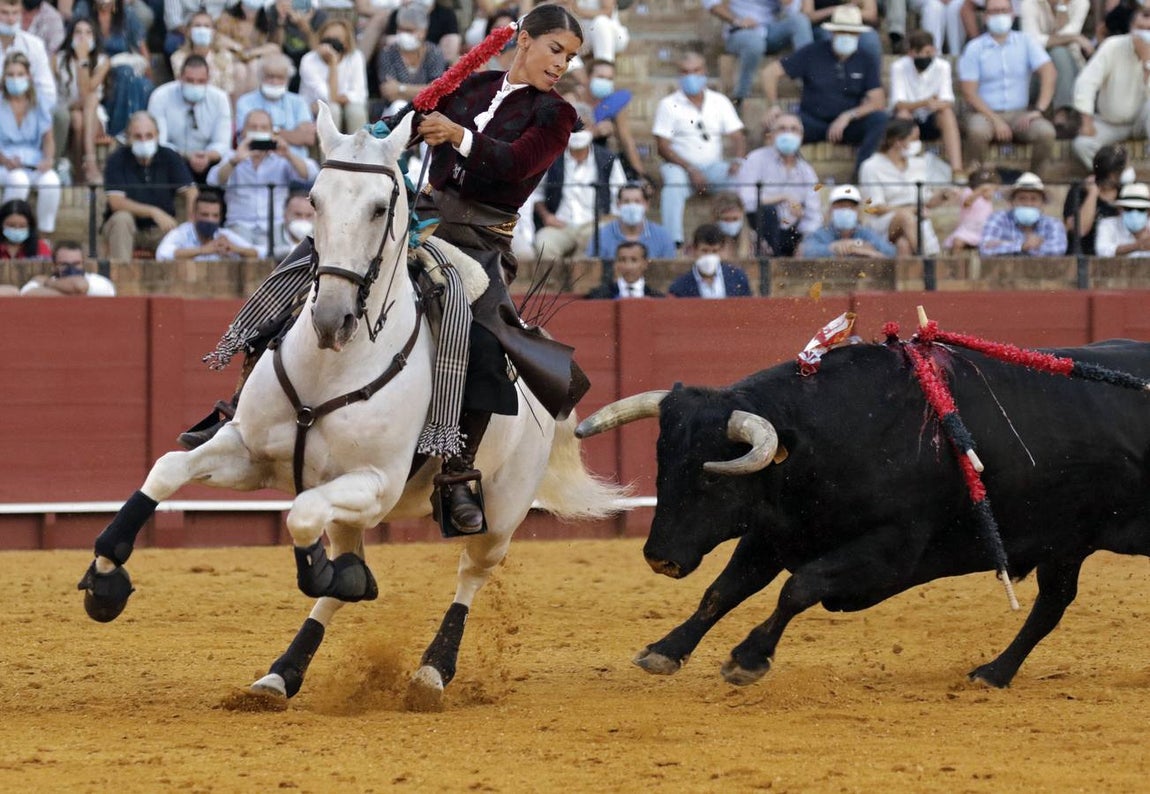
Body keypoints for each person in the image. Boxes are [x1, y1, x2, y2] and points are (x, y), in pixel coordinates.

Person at [183, 5, 589, 538]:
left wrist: (458, 136)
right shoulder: (471, 86)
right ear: (526, 41)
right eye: (555, 49)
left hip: (478, 241)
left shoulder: (556, 116)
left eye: (570, 57)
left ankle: (457, 472)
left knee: (484, 341)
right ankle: (239, 408)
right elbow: (409, 129)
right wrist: (387, 133)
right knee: (305, 267)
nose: (561, 64)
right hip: (417, 220)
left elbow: (515, 164)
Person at [762, 6, 889, 176]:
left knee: (880, 120)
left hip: (848, 124)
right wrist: (774, 105)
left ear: (858, 35)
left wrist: (848, 116)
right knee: (778, 125)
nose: (846, 36)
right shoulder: (812, 52)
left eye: (851, 33)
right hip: (811, 121)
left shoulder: (865, 58)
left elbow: (878, 101)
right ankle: (779, 177)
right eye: (841, 32)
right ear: (833, 33)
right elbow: (769, 73)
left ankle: (860, 176)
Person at [652, 50, 746, 248]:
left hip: (713, 167)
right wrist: (691, 169)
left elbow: (738, 136)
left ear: (704, 72)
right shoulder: (668, 105)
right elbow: (662, 147)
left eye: (696, 70)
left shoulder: (719, 101)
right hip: (680, 168)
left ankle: (734, 238)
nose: (691, 76)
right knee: (673, 186)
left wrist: (738, 161)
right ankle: (673, 243)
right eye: (686, 72)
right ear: (679, 75)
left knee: (738, 178)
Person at [958, 0, 1057, 176]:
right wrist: (996, 120)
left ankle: (1036, 181)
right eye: (994, 11)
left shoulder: (1026, 42)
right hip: (984, 114)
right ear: (986, 16)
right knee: (977, 131)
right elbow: (968, 92)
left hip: (1019, 114)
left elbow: (1049, 72)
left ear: (1012, 14)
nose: (1000, 15)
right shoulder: (974, 48)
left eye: (1004, 10)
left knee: (1046, 132)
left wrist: (1039, 109)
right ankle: (975, 180)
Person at [206, 108, 318, 248]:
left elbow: (311, 174)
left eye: (263, 127)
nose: (258, 131)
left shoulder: (282, 158)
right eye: (253, 127)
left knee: (281, 258)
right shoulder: (232, 156)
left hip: (276, 225)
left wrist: (289, 155)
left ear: (271, 132)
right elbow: (213, 181)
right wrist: (235, 161)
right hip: (239, 224)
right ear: (244, 132)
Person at [532, 116, 627, 271]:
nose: (577, 132)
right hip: (560, 225)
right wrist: (547, 216)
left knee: (594, 240)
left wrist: (610, 218)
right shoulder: (551, 159)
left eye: (583, 127)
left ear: (592, 128)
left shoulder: (607, 158)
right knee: (544, 244)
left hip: (595, 223)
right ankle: (552, 290)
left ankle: (580, 288)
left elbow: (621, 194)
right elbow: (537, 194)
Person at [101, 110, 197, 262]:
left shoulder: (169, 156)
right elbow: (116, 202)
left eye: (149, 136)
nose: (144, 140)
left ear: (157, 135)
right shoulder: (117, 159)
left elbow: (191, 191)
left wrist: (192, 222)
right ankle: (121, 277)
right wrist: (153, 212)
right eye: (138, 136)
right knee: (121, 219)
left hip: (161, 228)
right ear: (128, 137)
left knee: (180, 235)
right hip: (129, 229)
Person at [1071, 6, 1150, 170]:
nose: (1145, 33)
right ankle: (1120, 177)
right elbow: (1086, 82)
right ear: (1131, 27)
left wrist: (1147, 63)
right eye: (1141, 28)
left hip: (1143, 122)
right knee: (1082, 144)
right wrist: (1086, 121)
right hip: (1110, 123)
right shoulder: (1112, 46)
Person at [733, 111, 822, 257]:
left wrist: (805, 242)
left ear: (801, 136)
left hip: (792, 232)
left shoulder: (806, 171)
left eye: (794, 129)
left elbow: (814, 214)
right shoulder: (755, 159)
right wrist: (783, 197)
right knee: (768, 211)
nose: (788, 133)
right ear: (772, 135)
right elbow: (745, 200)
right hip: (760, 229)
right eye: (782, 129)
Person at [858, 118, 951, 256]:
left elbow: (927, 201)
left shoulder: (919, 164)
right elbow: (875, 207)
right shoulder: (871, 166)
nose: (917, 143)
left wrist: (943, 195)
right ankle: (927, 261)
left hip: (915, 222)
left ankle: (912, 275)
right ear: (898, 141)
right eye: (913, 139)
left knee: (904, 245)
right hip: (883, 222)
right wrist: (912, 210)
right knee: (906, 218)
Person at [704, 0, 813, 111]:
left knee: (800, 21)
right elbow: (711, 4)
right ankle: (741, 96)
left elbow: (794, 12)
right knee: (754, 43)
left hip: (769, 30)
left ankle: (810, 80)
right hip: (739, 31)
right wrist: (737, 21)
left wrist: (787, 3)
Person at [0, 51, 61, 236]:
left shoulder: (39, 102)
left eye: (20, 74)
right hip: (5, 162)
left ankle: (44, 235)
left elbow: (48, 139)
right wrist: (4, 160)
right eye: (10, 75)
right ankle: (6, 230)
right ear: (4, 77)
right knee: (19, 180)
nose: (15, 79)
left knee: (51, 182)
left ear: (29, 76)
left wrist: (48, 159)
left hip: (33, 162)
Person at [147, 55, 233, 183]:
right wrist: (187, 156)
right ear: (180, 78)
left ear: (208, 80)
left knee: (227, 161)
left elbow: (223, 143)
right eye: (190, 80)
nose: (195, 85)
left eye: (200, 81)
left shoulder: (220, 99)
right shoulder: (160, 96)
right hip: (173, 159)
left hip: (209, 161)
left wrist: (206, 156)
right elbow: (160, 142)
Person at [889, 29, 963, 176]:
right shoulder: (899, 67)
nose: (925, 57)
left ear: (934, 51)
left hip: (931, 119)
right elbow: (899, 104)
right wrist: (925, 102)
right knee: (903, 115)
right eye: (920, 53)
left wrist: (935, 105)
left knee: (946, 113)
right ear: (911, 53)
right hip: (909, 118)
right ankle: (900, 168)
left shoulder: (942, 67)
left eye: (928, 53)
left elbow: (948, 101)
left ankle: (957, 169)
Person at [1019, 0, 1093, 132]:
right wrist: (1074, 38)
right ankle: (1059, 114)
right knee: (1056, 52)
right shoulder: (1028, 4)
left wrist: (1062, 7)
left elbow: (1067, 33)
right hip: (1037, 72)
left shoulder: (1081, 3)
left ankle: (1062, 112)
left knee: (1059, 52)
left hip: (1072, 66)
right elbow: (1032, 41)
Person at [52, 17, 110, 185]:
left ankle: (83, 168)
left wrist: (83, 59)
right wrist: (80, 57)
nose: (83, 37)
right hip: (67, 109)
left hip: (94, 114)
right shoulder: (57, 60)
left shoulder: (103, 61)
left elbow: (85, 92)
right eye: (78, 32)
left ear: (95, 36)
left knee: (85, 109)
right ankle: (86, 168)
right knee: (77, 116)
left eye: (88, 32)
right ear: (70, 36)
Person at [234, 53, 316, 160]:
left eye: (280, 77)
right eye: (270, 76)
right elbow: (246, 135)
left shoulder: (299, 102)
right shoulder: (245, 101)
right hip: (255, 160)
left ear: (288, 80)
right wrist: (292, 134)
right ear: (261, 77)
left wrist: (269, 131)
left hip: (293, 162)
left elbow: (308, 138)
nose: (275, 82)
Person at [375, 3, 447, 114]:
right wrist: (423, 89)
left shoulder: (434, 52)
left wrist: (400, 88)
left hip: (427, 109)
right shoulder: (388, 52)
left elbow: (436, 90)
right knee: (399, 106)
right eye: (400, 29)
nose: (403, 34)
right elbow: (388, 92)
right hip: (393, 111)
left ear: (422, 32)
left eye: (409, 30)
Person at [298, 17, 367, 134]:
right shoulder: (309, 60)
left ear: (346, 43)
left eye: (336, 39)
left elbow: (360, 94)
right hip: (313, 107)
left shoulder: (356, 57)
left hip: (345, 105)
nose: (330, 44)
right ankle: (330, 152)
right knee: (332, 110)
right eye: (327, 39)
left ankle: (360, 151)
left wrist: (342, 98)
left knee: (356, 110)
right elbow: (328, 98)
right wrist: (333, 63)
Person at [979, 171, 1068, 256]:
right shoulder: (998, 218)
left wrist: (1006, 245)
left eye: (1034, 199)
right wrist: (1021, 245)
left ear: (1042, 203)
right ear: (1012, 202)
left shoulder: (1053, 224)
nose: (1028, 204)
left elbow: (1058, 249)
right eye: (1022, 198)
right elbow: (986, 248)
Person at [586, 58, 647, 182]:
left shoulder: (614, 103)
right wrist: (594, 132)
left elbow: (626, 141)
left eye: (609, 79)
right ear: (588, 77)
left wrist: (641, 176)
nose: (605, 82)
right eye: (600, 77)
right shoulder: (572, 98)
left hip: (599, 159)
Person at [155, 191, 262, 260]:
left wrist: (236, 249)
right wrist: (202, 250)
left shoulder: (223, 235)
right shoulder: (182, 233)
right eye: (205, 215)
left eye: (215, 216)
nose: (210, 220)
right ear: (194, 215)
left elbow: (262, 253)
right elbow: (162, 254)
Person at [799, 183, 897, 257]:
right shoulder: (823, 233)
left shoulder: (865, 232)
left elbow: (891, 252)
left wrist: (862, 247)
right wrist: (832, 248)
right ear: (831, 209)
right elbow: (806, 251)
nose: (845, 210)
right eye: (841, 206)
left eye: (850, 207)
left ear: (858, 211)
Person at [585, 181, 676, 261]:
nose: (631, 206)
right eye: (626, 201)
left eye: (637, 201)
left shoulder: (663, 236)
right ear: (618, 204)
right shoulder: (602, 235)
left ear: (646, 205)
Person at [1063, 143, 1127, 255]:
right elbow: (1080, 230)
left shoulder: (1126, 191)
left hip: (1115, 257)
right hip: (1083, 259)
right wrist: (1092, 194)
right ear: (1113, 174)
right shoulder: (1079, 190)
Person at [170, 10, 244, 101]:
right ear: (188, 31)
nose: (202, 30)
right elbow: (184, 86)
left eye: (206, 26)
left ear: (213, 32)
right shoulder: (178, 57)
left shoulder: (225, 56)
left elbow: (228, 89)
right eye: (197, 26)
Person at [668, 222, 752, 297]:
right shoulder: (680, 286)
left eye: (715, 251)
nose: (709, 256)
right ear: (694, 250)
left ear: (722, 250)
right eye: (705, 251)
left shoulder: (737, 278)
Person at [0, 0, 57, 109]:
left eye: (15, 13)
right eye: (4, 13)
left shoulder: (35, 45)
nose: (11, 19)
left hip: (28, 109)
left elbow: (48, 93)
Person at [19, 239, 116, 294]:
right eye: (64, 264)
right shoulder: (46, 280)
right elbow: (27, 294)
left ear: (83, 264)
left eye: (76, 264)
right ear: (54, 266)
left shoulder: (99, 282)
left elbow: (79, 286)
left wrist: (49, 283)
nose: (71, 269)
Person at [801, 0, 883, 61]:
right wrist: (835, 10)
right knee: (828, 39)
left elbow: (871, 14)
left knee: (870, 40)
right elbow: (808, 16)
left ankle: (871, 80)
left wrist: (848, 11)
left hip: (855, 25)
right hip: (824, 26)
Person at [944, 165, 1000, 251]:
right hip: (967, 230)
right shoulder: (969, 192)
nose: (992, 192)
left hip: (983, 231)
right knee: (958, 242)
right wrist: (980, 190)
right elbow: (967, 202)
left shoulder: (988, 200)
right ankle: (957, 263)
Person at [585, 240, 664, 298]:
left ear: (645, 264)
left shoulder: (657, 298)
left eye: (634, 260)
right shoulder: (599, 296)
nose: (628, 266)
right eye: (622, 260)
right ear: (616, 264)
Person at [1094, 181, 1150, 257]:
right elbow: (1102, 250)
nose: (1134, 212)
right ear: (1120, 209)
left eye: (1141, 209)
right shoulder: (1108, 225)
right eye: (1128, 208)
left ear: (1148, 211)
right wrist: (1138, 245)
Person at [271, 189, 315, 260]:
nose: (303, 220)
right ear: (285, 215)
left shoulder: (321, 236)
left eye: (308, 215)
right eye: (298, 215)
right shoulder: (270, 234)